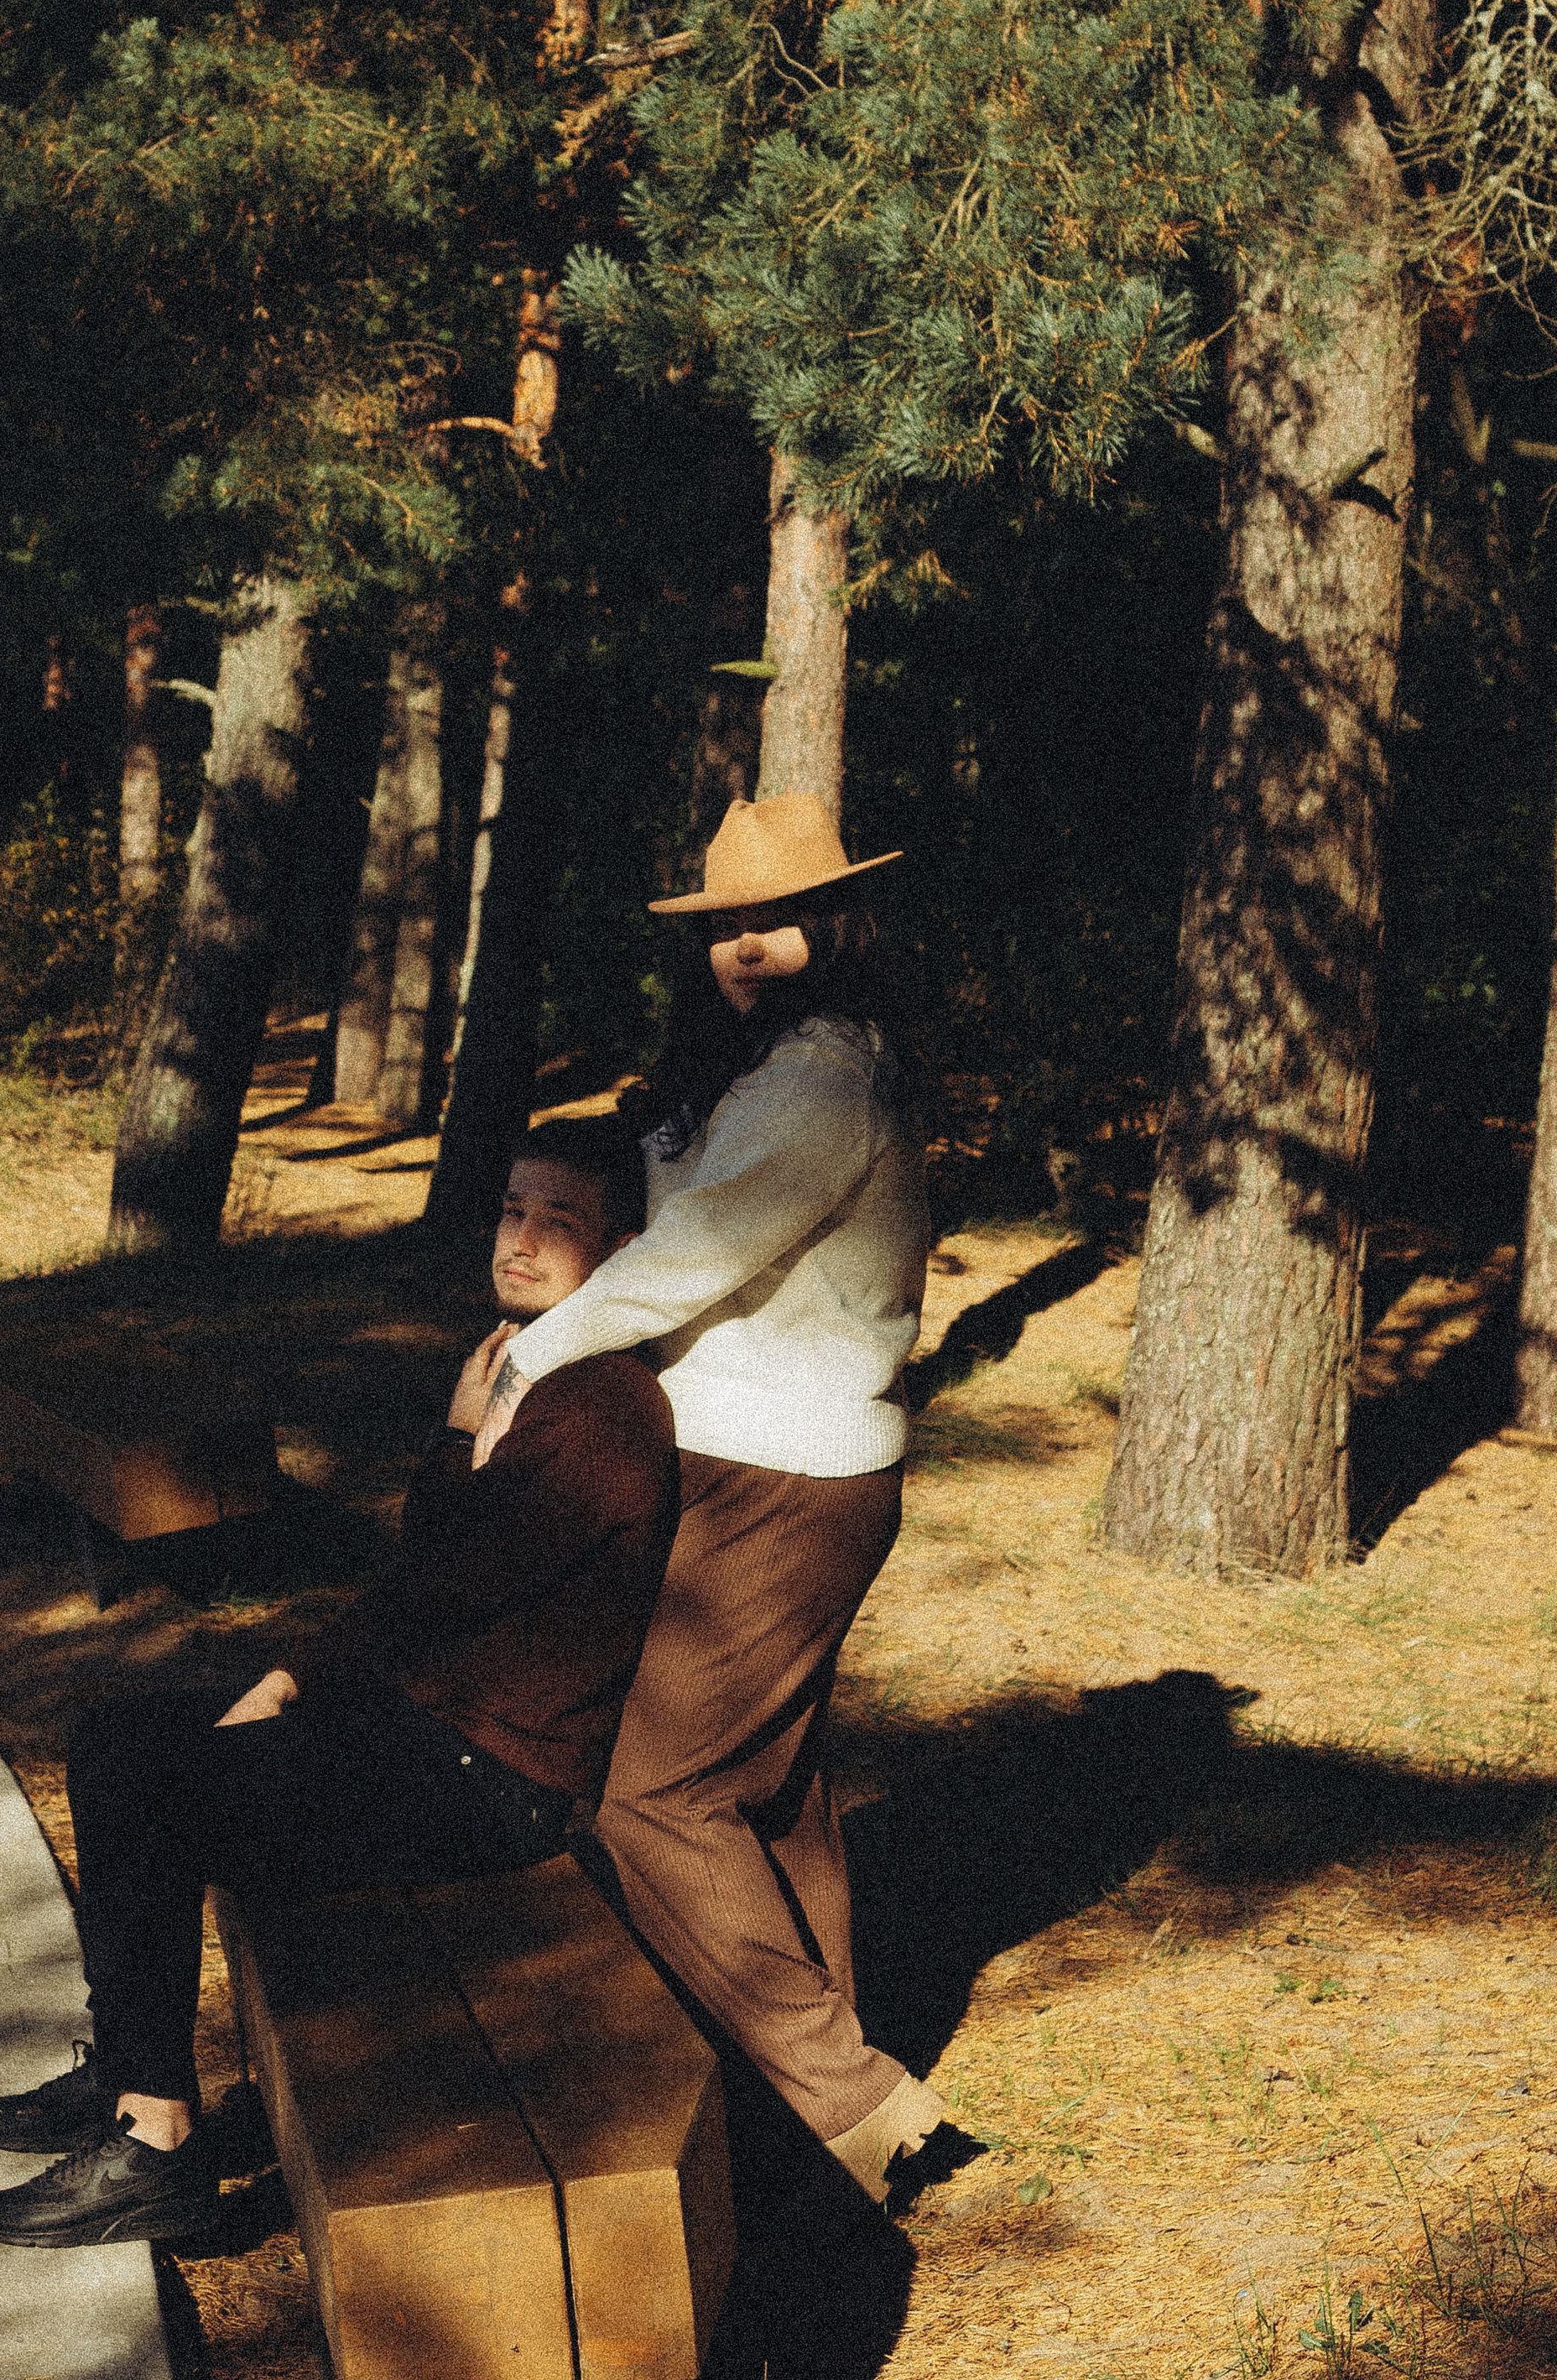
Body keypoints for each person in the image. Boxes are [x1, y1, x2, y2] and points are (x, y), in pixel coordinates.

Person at [0, 1114, 670, 2252]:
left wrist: (441, 1455)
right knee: (114, 1740)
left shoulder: (602, 1409)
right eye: (512, 1210)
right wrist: (301, 1668)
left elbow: (447, 1585)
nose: (524, 1240)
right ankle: (126, 2074)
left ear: (626, 1251)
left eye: (561, 1222)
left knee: (155, 1785)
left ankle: (155, 2144)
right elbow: (436, 1584)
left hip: (491, 1775)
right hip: (428, 1725)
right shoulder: (537, 1369)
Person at [472, 791, 946, 2203]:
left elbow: (696, 1258)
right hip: (751, 1454)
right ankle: (808, 2099)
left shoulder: (820, 1078)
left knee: (650, 1790)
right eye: (730, 925)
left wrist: (528, 1364)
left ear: (838, 927)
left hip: (786, 1468)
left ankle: (859, 2109)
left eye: (779, 921)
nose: (750, 946)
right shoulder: (765, 1067)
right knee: (767, 1788)